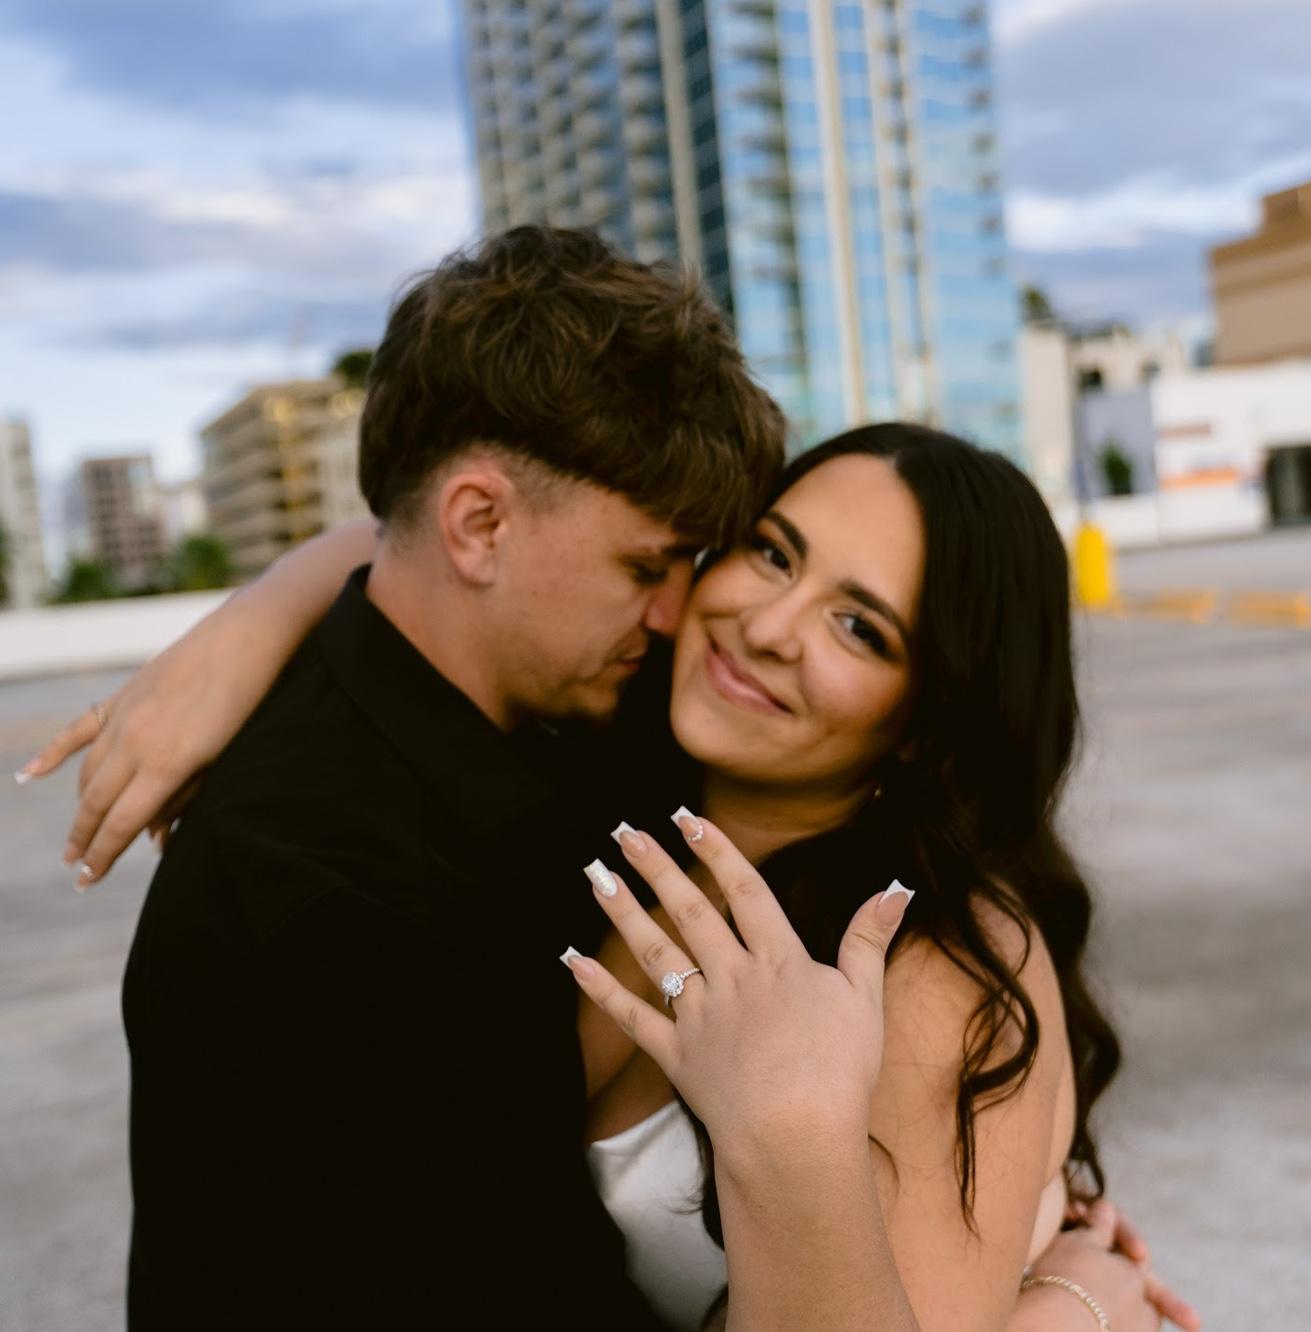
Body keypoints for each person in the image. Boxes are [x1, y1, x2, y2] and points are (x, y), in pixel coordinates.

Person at [26, 421, 1201, 1325]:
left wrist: (1071, 1304)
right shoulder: (616, 784)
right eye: (772, 553)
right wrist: (239, 633)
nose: (769, 625)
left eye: (861, 628)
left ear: (926, 724)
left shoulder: (930, 966)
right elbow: (422, 552)